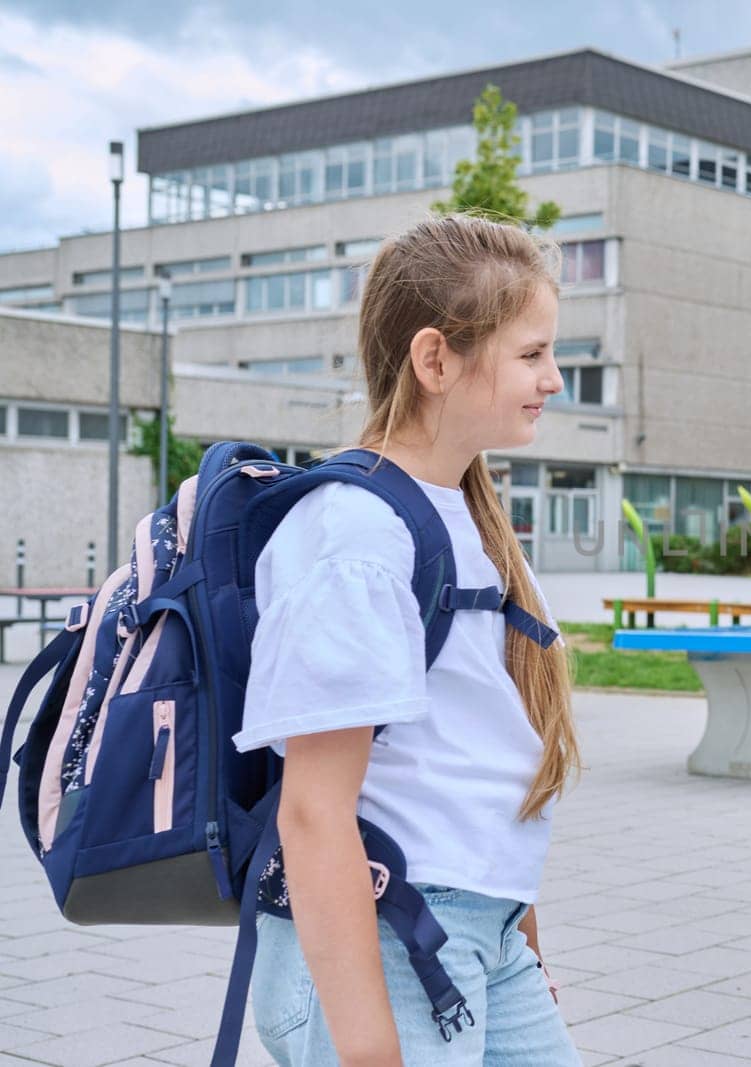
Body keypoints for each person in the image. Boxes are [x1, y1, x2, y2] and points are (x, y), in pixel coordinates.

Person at [233, 215, 583, 1065]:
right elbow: (314, 811)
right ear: (436, 361)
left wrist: (520, 938)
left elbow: (482, 749)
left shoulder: (466, 516)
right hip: (391, 938)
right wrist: (370, 1051)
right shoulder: (353, 533)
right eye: (531, 354)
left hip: (480, 934)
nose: (555, 379)